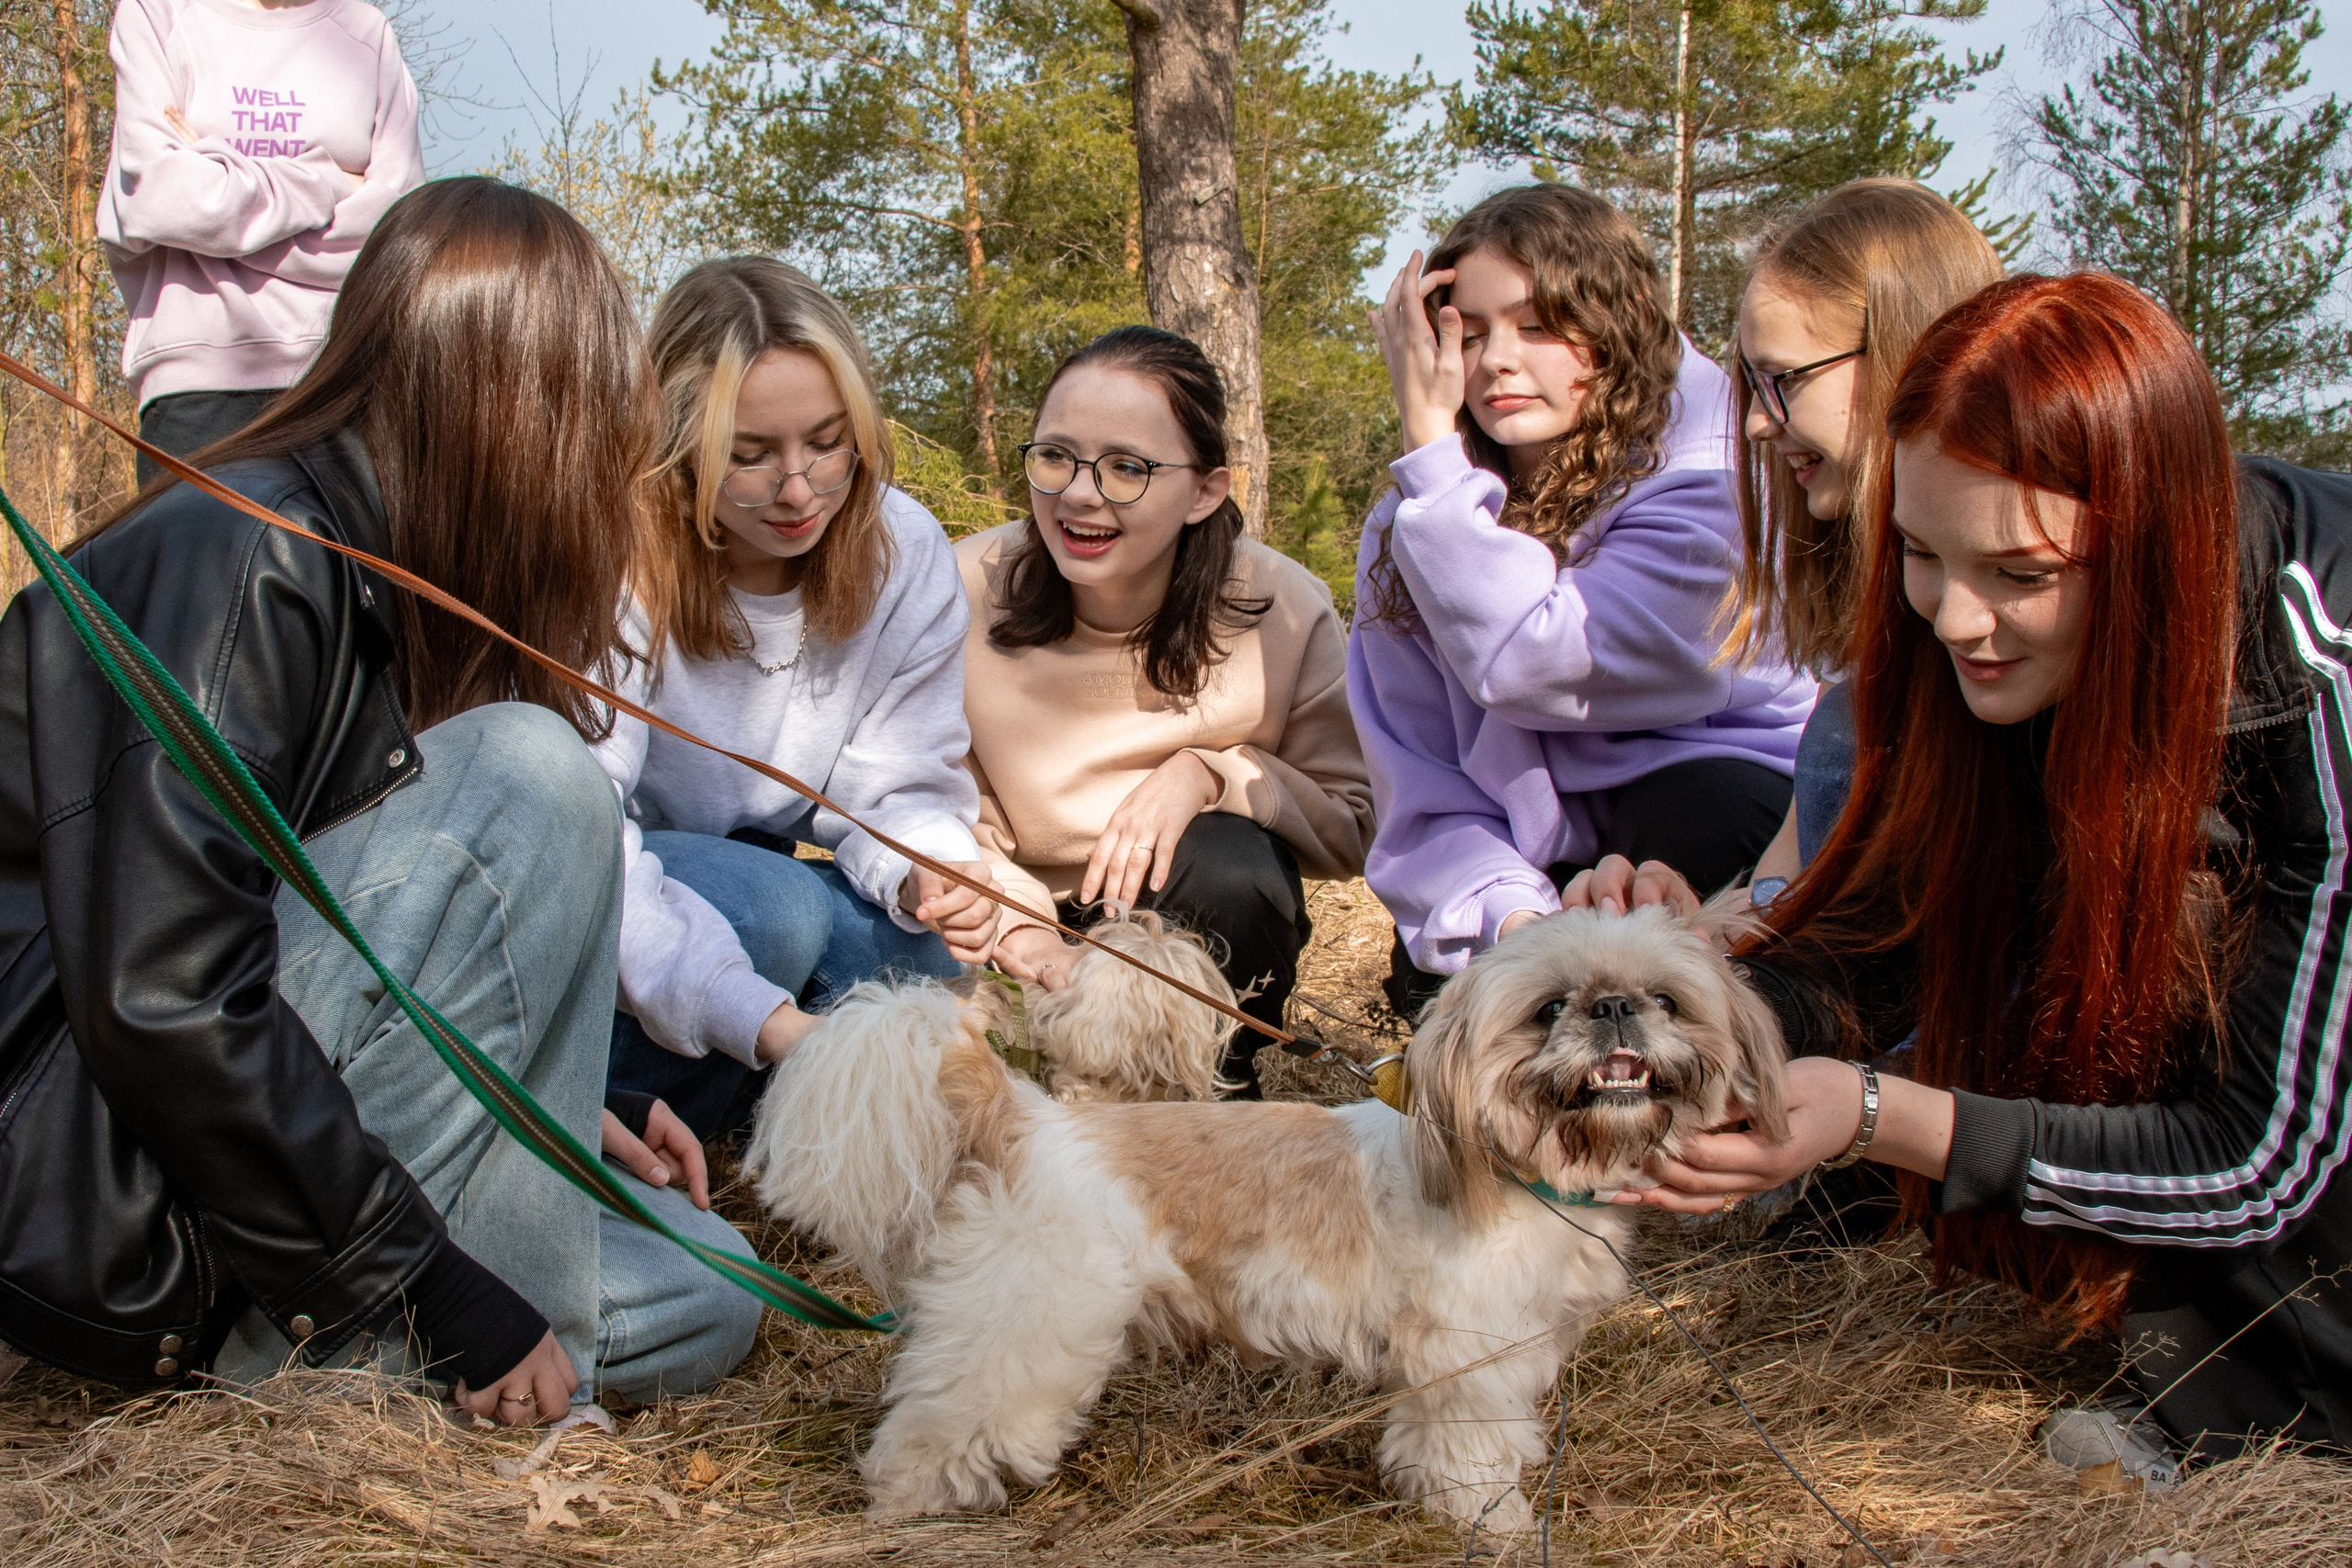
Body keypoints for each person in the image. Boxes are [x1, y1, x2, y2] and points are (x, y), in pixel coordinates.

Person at [0, 178, 761, 1418]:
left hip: (254, 1150)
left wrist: (575, 1107)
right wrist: (440, 1291)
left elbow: (366, 944)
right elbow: (169, 996)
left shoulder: (376, 568)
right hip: (92, 1168)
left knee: (718, 1283)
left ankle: (396, 1358)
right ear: (521, 411)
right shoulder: (246, 554)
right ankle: (342, 1374)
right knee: (528, 768)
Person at [1574, 274, 2352, 1467]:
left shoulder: (2310, 669)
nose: (1956, 620)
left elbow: (2269, 1157)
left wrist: (1874, 1112)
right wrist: (1677, 1000)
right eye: (1923, 555)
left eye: (2023, 575)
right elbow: (1886, 933)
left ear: (2150, 541)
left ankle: (2277, 1400)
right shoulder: (1967, 634)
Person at [1351, 183, 1814, 1021]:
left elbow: (1537, 660)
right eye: (1467, 329)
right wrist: (1518, 919)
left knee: (1694, 815)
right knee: (1452, 978)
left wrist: (1430, 453)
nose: (1496, 360)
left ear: (1615, 333)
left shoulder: (1708, 482)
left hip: (1714, 819)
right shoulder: (1412, 521)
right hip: (1539, 854)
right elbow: (1425, 778)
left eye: (1538, 326)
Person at [600, 258, 997, 1142]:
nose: (797, 488)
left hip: (775, 873)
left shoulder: (903, 548)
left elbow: (900, 787)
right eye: (746, 455)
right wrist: (770, 1021)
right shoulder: (618, 560)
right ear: (676, 445)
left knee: (918, 956)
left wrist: (926, 866)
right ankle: (638, 1122)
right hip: (632, 878)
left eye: (826, 441)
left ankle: (762, 1114)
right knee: (771, 912)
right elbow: (585, 841)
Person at [965, 326, 1373, 1094]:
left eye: (1128, 467)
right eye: (1055, 456)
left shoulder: (1282, 608)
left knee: (1232, 866)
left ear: (1206, 491)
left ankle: (1202, 1093)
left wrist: (1212, 773)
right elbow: (934, 804)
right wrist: (1023, 928)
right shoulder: (959, 589)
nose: (1079, 494)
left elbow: (1353, 822)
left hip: (1189, 919)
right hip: (1002, 922)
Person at [1725, 180, 2005, 886]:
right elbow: (1791, 876)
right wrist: (1704, 929)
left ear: (1906, 359)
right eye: (1751, 388)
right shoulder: (1863, 620)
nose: (1760, 422)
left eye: (1782, 380)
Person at [100, 0, 425, 482]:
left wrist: (217, 170)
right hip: (196, 389)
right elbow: (160, 200)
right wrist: (331, 182)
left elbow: (404, 236)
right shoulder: (158, 14)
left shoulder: (365, 34)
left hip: (344, 385)